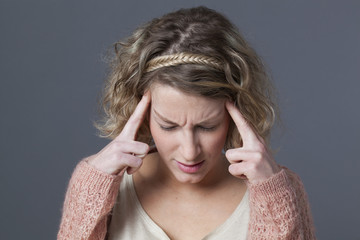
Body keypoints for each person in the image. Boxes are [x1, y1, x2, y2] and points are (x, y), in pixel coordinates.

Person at [58, 6, 315, 240]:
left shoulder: (279, 190)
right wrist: (89, 188)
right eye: (169, 126)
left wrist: (273, 197)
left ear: (236, 113)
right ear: (141, 110)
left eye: (207, 126)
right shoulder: (102, 188)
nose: (190, 152)